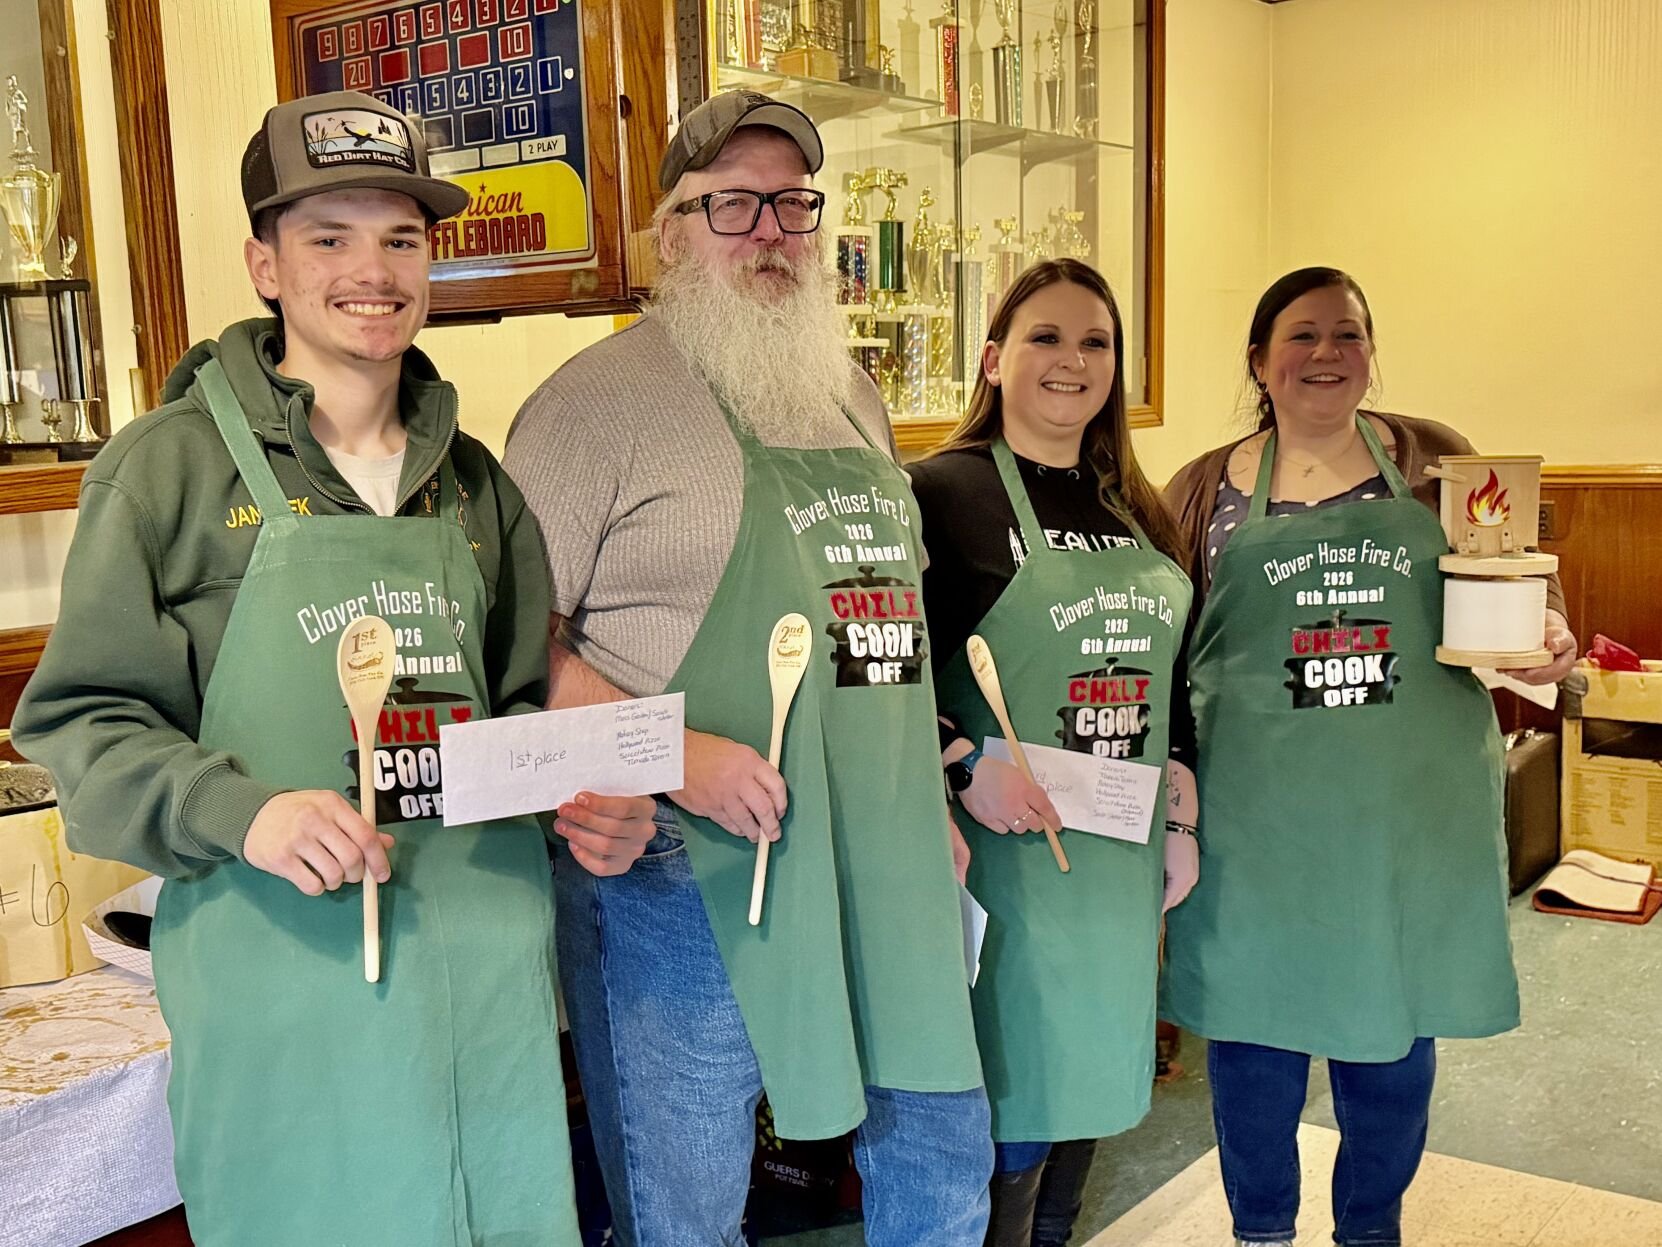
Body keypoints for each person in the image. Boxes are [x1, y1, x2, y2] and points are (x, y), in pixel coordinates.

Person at [12, 91, 656, 1245]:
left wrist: (582, 803)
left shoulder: (479, 486)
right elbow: (84, 724)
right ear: (264, 264)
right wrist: (246, 812)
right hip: (287, 1008)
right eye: (329, 237)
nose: (373, 270)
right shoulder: (165, 472)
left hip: (487, 1005)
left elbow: (517, 713)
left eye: (402, 237)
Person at [503, 89, 991, 1246]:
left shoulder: (853, 393)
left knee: (939, 1151)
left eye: (792, 204)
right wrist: (670, 754)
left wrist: (925, 793)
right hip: (686, 864)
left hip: (882, 844)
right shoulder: (591, 406)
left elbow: (884, 620)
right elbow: (514, 643)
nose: (770, 231)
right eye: (731, 205)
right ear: (668, 236)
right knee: (689, 1203)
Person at [1159, 266, 1576, 1247]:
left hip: (1406, 811)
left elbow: (1516, 584)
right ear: (1259, 359)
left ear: (1371, 351)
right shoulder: (1201, 488)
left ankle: (1370, 1226)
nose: (1327, 353)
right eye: (1302, 334)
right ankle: (1262, 1228)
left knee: (1393, 1030)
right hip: (1255, 818)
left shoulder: (1437, 461)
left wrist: (1548, 633)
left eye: (1347, 333)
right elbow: (1169, 650)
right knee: (1254, 1033)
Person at [909, 259, 1199, 1247]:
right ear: (994, 359)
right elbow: (877, 667)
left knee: (1087, 1107)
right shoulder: (937, 494)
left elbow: (1173, 678)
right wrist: (959, 764)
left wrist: (1182, 816)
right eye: (1045, 336)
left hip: (1116, 867)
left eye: (1095, 341)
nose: (1072, 359)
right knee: (1011, 1122)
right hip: (1004, 867)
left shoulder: (1135, 506)